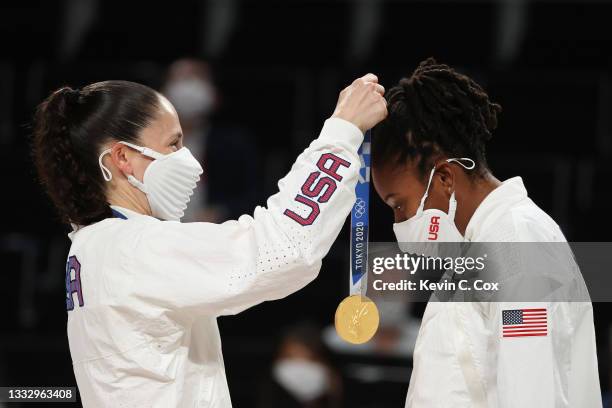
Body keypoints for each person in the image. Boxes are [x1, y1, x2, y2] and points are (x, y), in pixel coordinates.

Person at [32, 76, 387, 407]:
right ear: (122, 157)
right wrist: (343, 131)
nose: (192, 164)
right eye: (173, 143)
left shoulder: (94, 243)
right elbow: (282, 248)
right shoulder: (133, 247)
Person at [371, 58, 601, 407]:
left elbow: (531, 396)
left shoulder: (519, 244)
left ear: (445, 178)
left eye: (399, 204)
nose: (399, 220)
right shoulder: (475, 252)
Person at [162, 58, 258, 222]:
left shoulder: (234, 143)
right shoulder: (144, 142)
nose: (189, 88)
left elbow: (255, 196)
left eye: (197, 78)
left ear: (214, 94)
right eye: (181, 79)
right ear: (163, 93)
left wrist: (221, 212)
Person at [257, 323, 342, 408]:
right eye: (289, 357)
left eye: (303, 357)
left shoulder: (331, 380)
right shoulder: (272, 387)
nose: (296, 365)